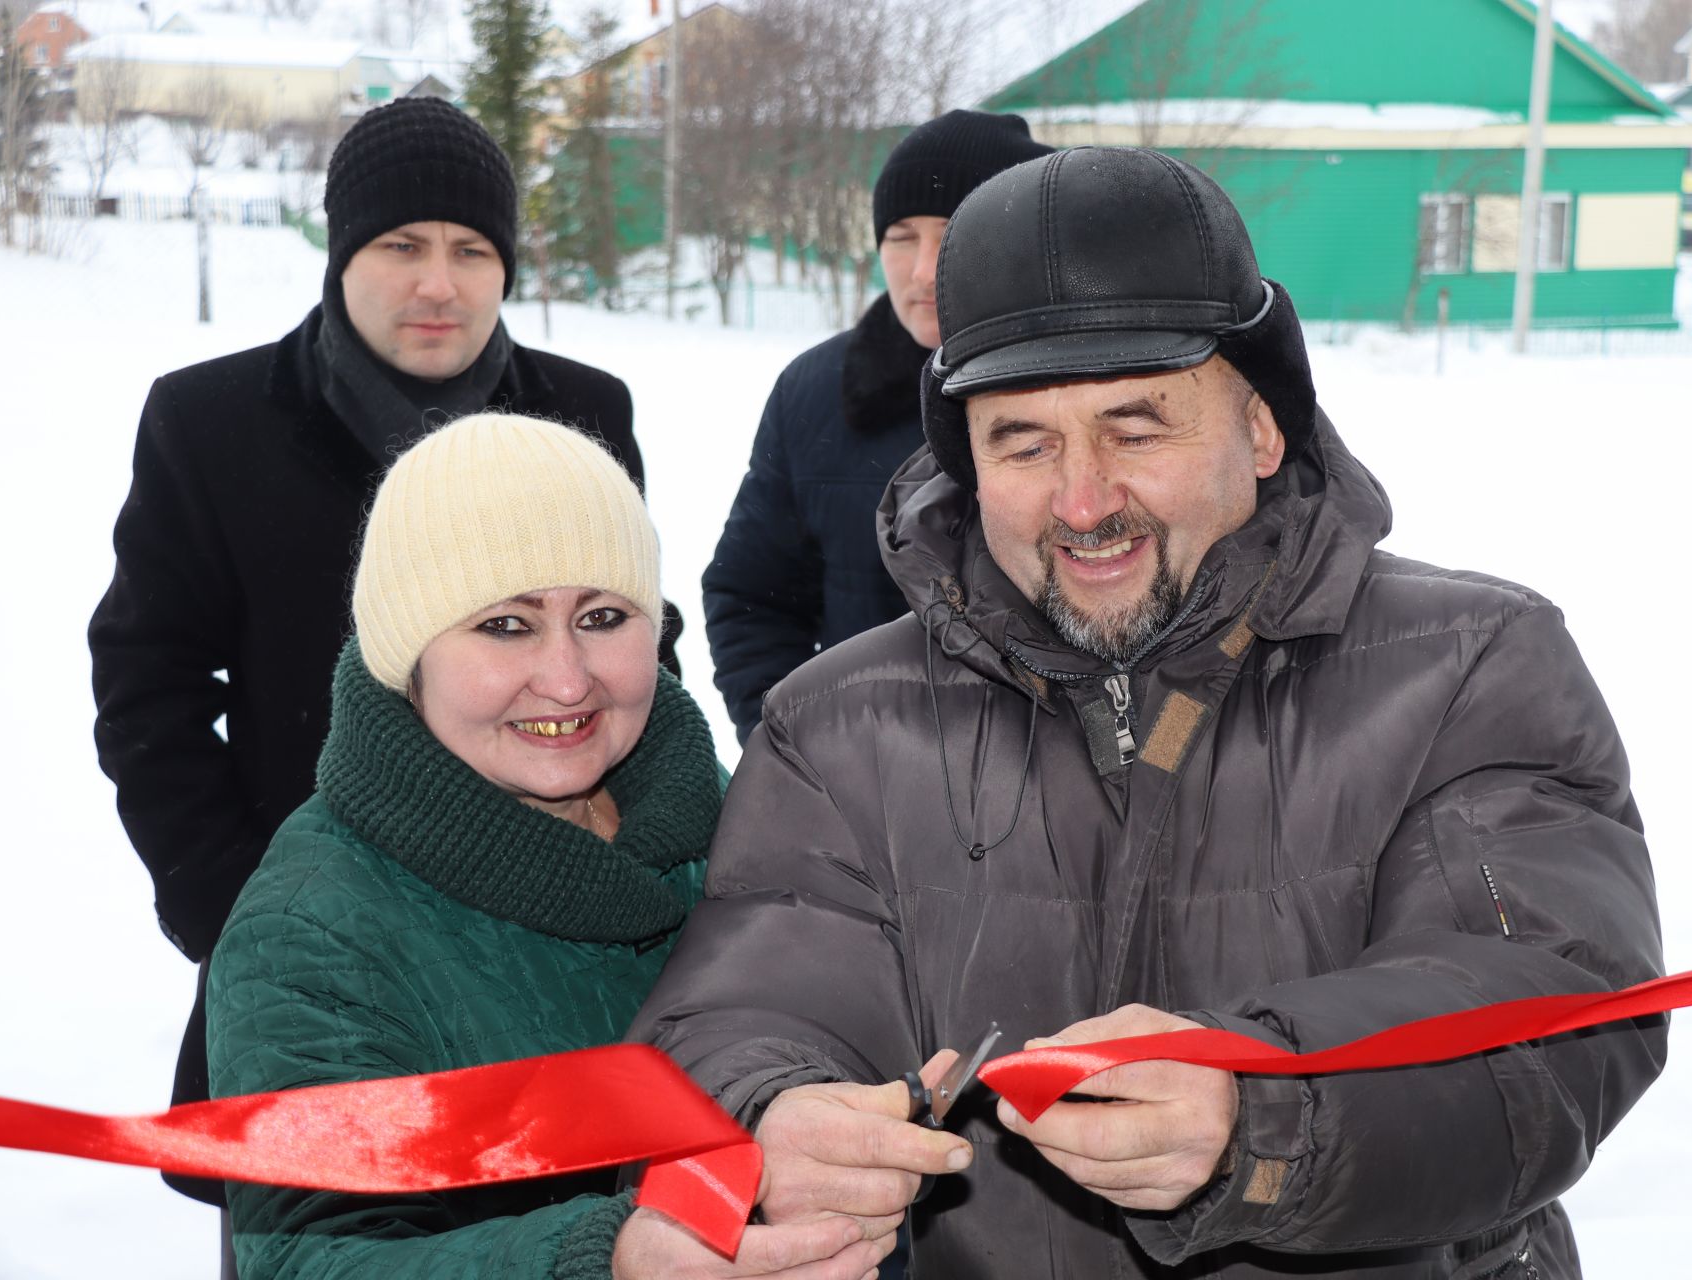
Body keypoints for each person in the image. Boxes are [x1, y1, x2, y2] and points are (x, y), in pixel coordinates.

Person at [633, 147, 1667, 1277]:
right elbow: (738, 1008)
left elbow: (1555, 1013)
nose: (1083, 501)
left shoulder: (1469, 665)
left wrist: (1260, 1111)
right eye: (1022, 443)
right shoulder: (839, 725)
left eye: (1137, 429)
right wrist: (773, 1109)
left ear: (1262, 429)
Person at [88, 96, 678, 1223]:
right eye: (400, 245)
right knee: (324, 1234)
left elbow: (643, 641)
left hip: (556, 954)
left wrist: (642, 886)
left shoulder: (581, 412)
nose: (439, 284)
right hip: (323, 953)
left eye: (471, 250)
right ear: (340, 250)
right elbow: (145, 690)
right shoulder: (210, 424)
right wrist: (242, 911)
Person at [206, 413, 887, 1280]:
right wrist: (602, 1262)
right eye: (505, 626)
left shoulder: (731, 812)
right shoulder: (313, 928)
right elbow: (312, 1256)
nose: (567, 679)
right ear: (406, 656)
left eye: (603, 616)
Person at [702, 110, 1049, 743]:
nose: (921, 272)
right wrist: (794, 752)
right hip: (874, 794)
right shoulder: (815, 392)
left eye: (953, 233)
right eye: (900, 235)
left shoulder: (1098, 393)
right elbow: (751, 598)